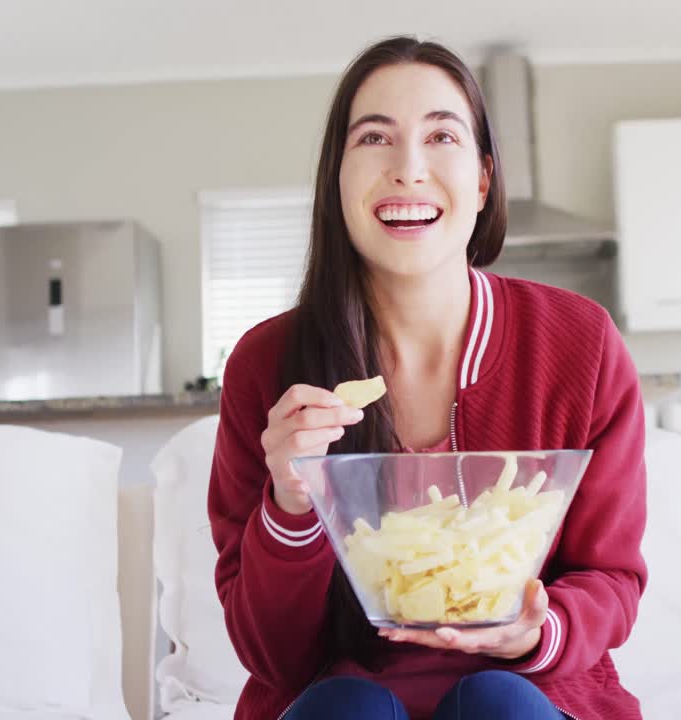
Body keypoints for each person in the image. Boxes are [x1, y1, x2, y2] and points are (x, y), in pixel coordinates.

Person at [207, 35, 648, 720]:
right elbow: (273, 656)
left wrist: (536, 630)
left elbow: (610, 577)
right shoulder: (265, 364)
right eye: (374, 139)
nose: (408, 170)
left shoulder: (582, 344)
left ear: (482, 179)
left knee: (500, 705)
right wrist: (292, 502)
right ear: (337, 180)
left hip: (531, 694)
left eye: (441, 136)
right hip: (333, 699)